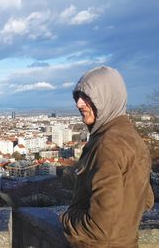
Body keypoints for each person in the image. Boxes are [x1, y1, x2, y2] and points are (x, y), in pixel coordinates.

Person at [61, 66, 154, 247]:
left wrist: (66, 218)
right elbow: (147, 200)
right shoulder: (132, 138)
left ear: (107, 98)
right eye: (78, 97)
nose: (79, 104)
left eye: (87, 97)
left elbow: (97, 230)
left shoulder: (106, 145)